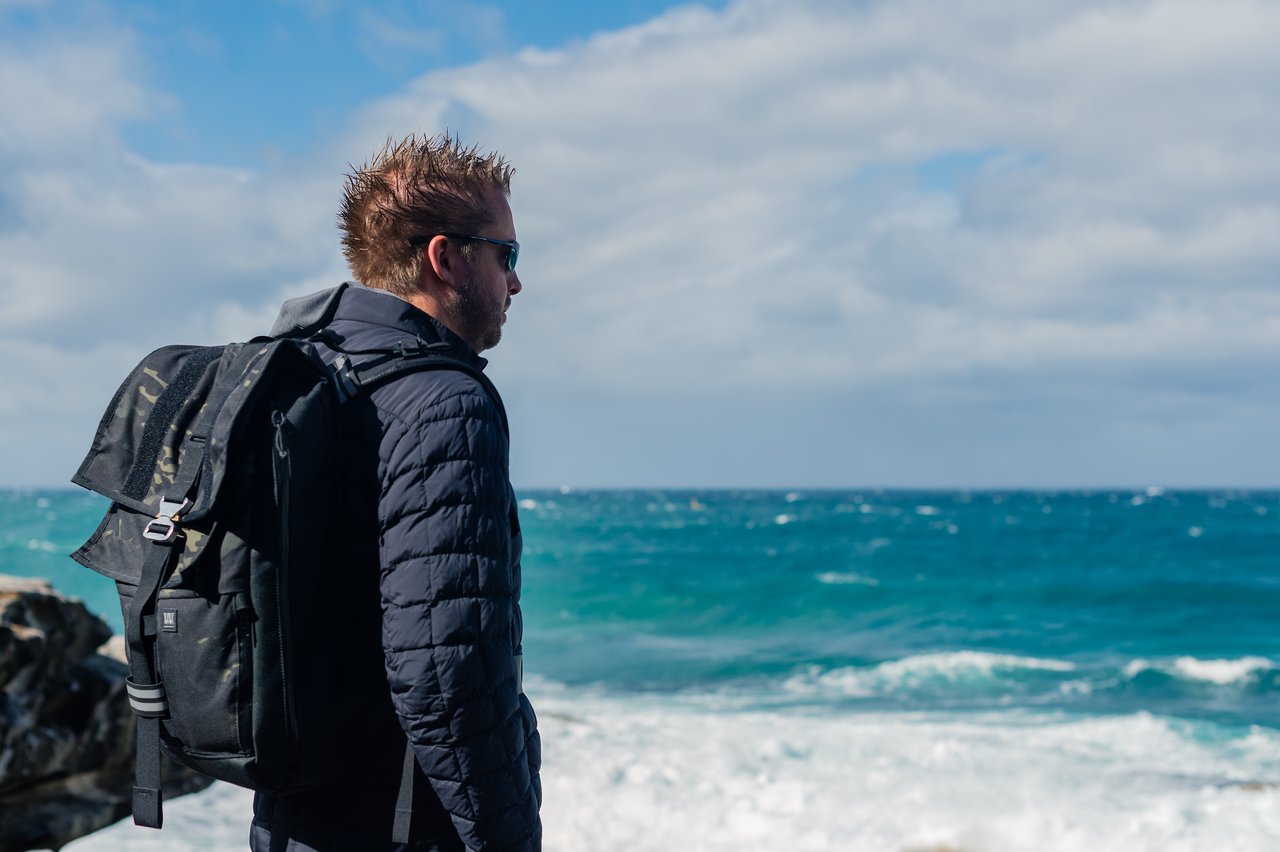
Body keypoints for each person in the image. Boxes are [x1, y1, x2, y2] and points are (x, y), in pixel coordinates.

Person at [249, 134, 541, 851]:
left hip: (288, 821)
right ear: (446, 258)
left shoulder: (301, 376)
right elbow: (445, 671)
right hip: (402, 826)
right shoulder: (445, 402)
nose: (515, 282)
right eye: (507, 255)